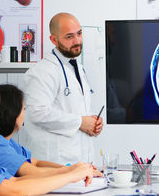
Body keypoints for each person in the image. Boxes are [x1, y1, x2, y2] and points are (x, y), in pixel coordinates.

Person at [0, 84, 103, 196]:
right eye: (24, 109)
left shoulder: (8, 143)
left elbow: (35, 162)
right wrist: (72, 173)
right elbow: (32, 171)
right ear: (12, 112)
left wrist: (73, 168)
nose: (25, 114)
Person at [19, 12, 103, 165]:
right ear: (53, 39)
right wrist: (80, 122)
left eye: (79, 33)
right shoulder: (42, 72)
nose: (77, 41)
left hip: (80, 162)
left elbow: (71, 108)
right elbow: (38, 113)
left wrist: (92, 121)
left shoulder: (77, 67)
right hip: (54, 163)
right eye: (69, 37)